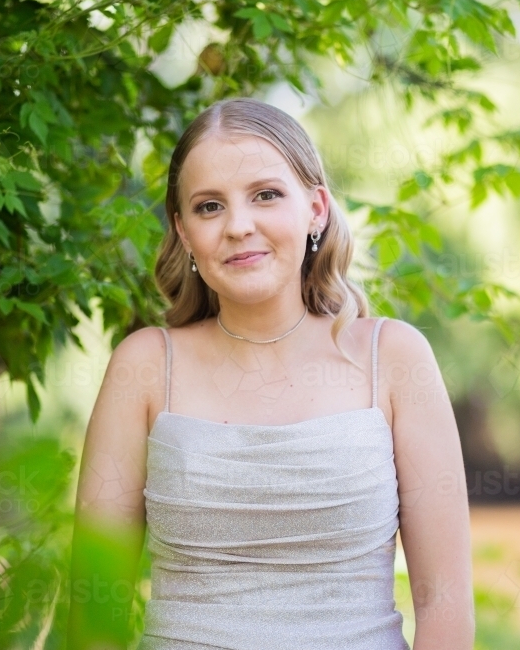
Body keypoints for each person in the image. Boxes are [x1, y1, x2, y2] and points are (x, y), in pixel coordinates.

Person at [67, 97, 472, 650]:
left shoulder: (394, 358)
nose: (238, 226)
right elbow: (94, 614)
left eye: (265, 195)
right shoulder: (143, 367)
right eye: (209, 207)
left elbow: (447, 610)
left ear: (316, 209)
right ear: (184, 232)